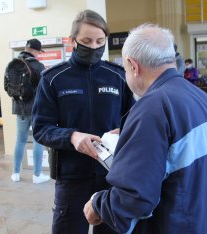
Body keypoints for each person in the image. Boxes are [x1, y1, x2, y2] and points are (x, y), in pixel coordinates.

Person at [83, 24, 207, 234]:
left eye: (125, 69)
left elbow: (135, 198)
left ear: (133, 66)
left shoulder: (151, 108)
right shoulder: (201, 98)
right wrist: (135, 139)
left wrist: (98, 205)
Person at [32, 10, 134, 234]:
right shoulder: (53, 79)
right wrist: (72, 136)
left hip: (112, 177)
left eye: (100, 41)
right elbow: (41, 128)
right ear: (73, 41)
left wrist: (123, 131)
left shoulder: (118, 76)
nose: (94, 47)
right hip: (71, 177)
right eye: (87, 41)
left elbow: (135, 120)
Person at [6, 39, 50, 184]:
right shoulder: (38, 65)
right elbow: (45, 89)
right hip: (36, 108)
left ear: (25, 48)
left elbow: (7, 86)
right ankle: (37, 175)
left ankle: (15, 174)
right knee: (38, 140)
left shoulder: (12, 64)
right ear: (37, 51)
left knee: (20, 140)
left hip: (19, 108)